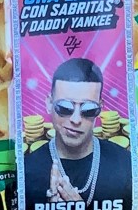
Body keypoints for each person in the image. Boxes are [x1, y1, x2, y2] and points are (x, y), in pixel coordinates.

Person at [22, 58, 131, 209]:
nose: (76, 119)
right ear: (49, 104)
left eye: (88, 109)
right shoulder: (26, 170)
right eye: (65, 107)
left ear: (100, 108)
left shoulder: (125, 164)